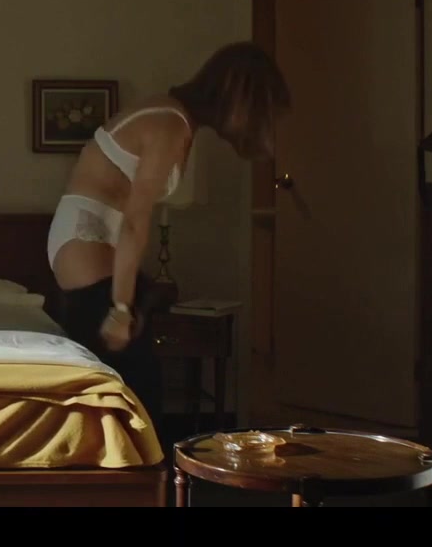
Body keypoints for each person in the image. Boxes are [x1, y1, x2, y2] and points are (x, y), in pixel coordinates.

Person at [45, 41, 291, 432]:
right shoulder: (170, 123)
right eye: (255, 110)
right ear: (235, 97)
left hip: (89, 236)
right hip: (87, 236)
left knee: (129, 390)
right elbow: (135, 220)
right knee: (133, 393)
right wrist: (120, 308)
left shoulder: (173, 117)